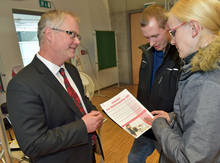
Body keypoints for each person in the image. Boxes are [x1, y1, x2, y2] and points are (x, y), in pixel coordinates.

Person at [6, 10, 104, 163]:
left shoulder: (71, 71)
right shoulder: (22, 85)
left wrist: (94, 112)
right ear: (49, 34)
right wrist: (83, 127)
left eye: (78, 36)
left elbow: (80, 102)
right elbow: (33, 144)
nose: (77, 41)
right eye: (71, 34)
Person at [148, 0, 220, 162]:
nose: (172, 41)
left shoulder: (205, 81)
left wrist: (159, 125)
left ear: (194, 28)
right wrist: (173, 117)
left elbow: (189, 158)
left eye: (173, 32)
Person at [128, 4, 180, 163]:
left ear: (168, 28)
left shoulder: (181, 54)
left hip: (167, 128)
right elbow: (144, 88)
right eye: (146, 37)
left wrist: (173, 117)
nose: (151, 43)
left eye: (155, 36)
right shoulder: (147, 54)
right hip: (145, 126)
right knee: (134, 159)